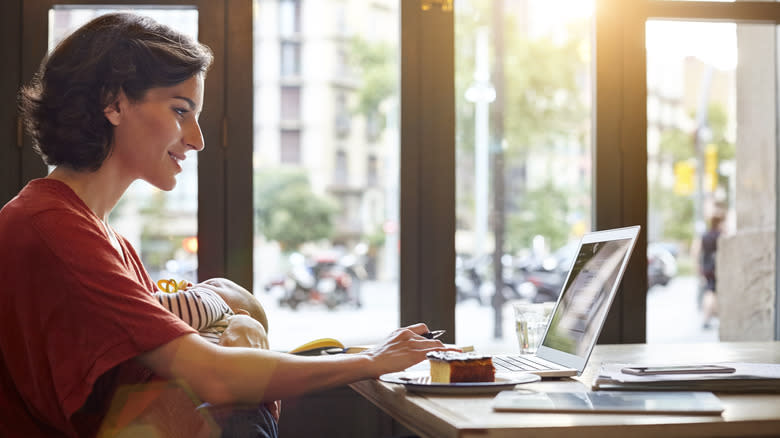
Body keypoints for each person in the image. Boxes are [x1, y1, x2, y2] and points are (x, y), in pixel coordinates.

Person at [0, 12, 451, 437]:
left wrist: (365, 353)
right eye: (181, 110)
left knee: (240, 321)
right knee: (241, 334)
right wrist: (370, 361)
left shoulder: (93, 231)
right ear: (112, 103)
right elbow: (213, 377)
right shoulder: (53, 229)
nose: (197, 139)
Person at [699, 214, 723, 329]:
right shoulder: (719, 235)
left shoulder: (705, 235)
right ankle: (706, 318)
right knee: (711, 292)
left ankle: (708, 317)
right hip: (715, 267)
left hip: (706, 266)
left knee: (709, 291)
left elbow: (700, 251)